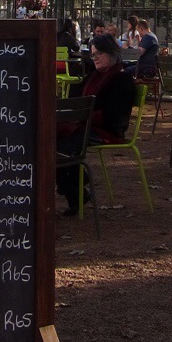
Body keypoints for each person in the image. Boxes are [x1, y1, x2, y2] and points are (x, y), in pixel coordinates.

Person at [56, 35, 136, 216]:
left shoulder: (122, 79)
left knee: (61, 149)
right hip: (85, 125)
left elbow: (115, 116)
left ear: (112, 53)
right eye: (93, 55)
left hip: (107, 130)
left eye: (99, 53)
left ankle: (76, 189)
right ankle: (77, 185)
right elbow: (75, 100)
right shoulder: (93, 76)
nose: (96, 58)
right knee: (53, 141)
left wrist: (82, 117)